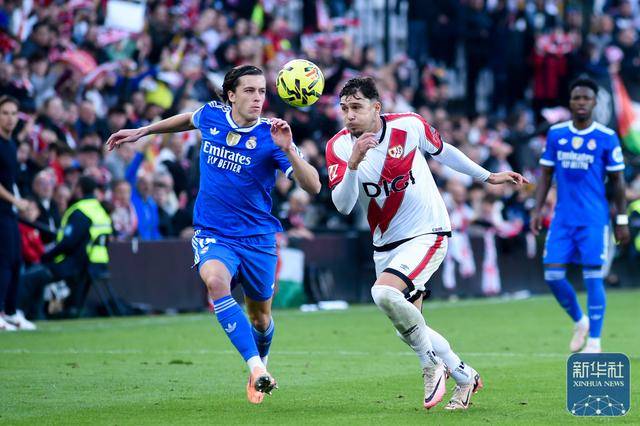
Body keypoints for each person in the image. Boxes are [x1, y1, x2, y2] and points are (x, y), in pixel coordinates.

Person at [107, 65, 321, 404]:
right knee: (216, 282)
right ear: (231, 95)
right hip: (214, 232)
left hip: (258, 239)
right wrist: (144, 130)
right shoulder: (212, 115)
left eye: (262, 91)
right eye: (249, 90)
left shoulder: (273, 136)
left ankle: (261, 361)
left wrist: (290, 149)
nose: (258, 98)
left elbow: (314, 186)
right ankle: (255, 368)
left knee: (260, 318)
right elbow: (187, 119)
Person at [325, 77, 526, 410]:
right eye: (344, 108)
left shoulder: (409, 125)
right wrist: (354, 164)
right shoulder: (339, 147)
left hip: (428, 232)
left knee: (383, 293)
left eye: (357, 107)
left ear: (376, 107)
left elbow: (445, 152)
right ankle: (465, 376)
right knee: (407, 327)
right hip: (386, 244)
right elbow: (344, 205)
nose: (349, 115)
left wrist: (488, 176)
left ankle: (431, 365)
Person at [530, 77, 630, 354]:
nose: (582, 102)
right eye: (577, 98)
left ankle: (595, 342)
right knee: (553, 276)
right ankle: (580, 320)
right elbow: (546, 175)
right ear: (570, 102)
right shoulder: (556, 134)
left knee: (593, 278)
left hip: (594, 220)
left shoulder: (606, 137)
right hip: (562, 219)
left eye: (587, 98)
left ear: (595, 102)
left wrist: (621, 220)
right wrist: (537, 210)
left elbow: (618, 181)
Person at [19, 176, 113, 319]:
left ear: (79, 189)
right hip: (99, 263)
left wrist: (46, 257)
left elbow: (68, 243)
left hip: (77, 263)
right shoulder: (100, 210)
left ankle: (21, 313)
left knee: (32, 276)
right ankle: (39, 314)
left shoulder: (80, 210)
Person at [0, 96, 36, 331]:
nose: (10, 118)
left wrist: (24, 204)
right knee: (3, 261)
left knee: (15, 261)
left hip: (9, 211)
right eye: (5, 113)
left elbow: (9, 181)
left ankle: (11, 312)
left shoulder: (11, 145)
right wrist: (15, 201)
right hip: (2, 210)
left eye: (14, 113)